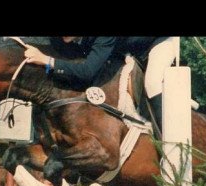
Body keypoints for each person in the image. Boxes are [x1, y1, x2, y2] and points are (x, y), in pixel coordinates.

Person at [24, 36, 175, 131]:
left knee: (152, 82)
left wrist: (48, 61)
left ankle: (169, 140)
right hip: (123, 48)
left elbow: (87, 71)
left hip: (157, 42)